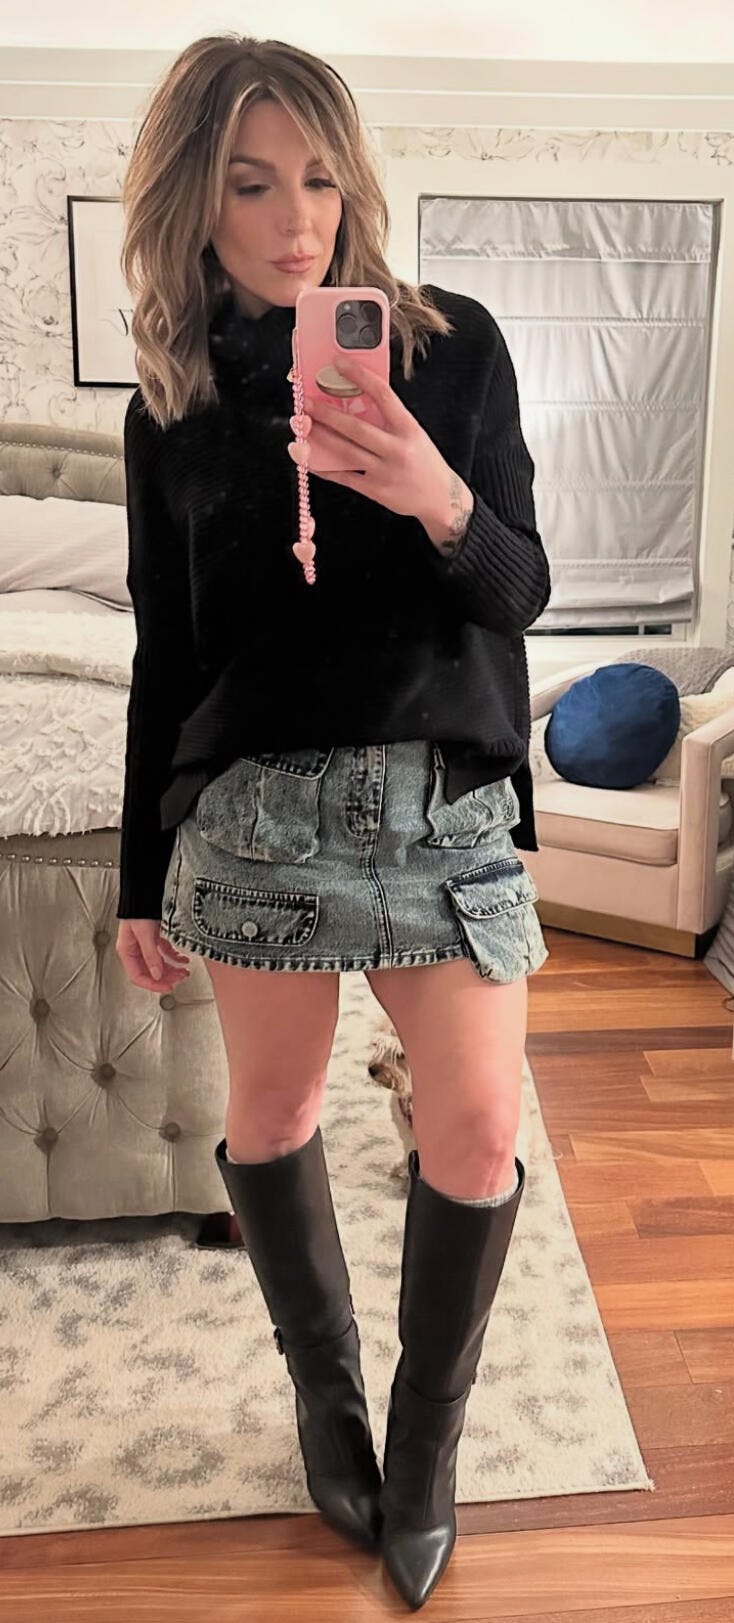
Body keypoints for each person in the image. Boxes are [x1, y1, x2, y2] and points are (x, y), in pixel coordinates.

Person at [114, 32, 551, 1611]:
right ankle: (327, 1398)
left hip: (442, 805)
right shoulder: (173, 409)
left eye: (316, 177)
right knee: (276, 1115)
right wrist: (140, 873)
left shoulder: (453, 348)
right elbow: (168, 657)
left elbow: (520, 591)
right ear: (192, 199)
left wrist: (433, 491)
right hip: (257, 815)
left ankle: (423, 1448)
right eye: (249, 184)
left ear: (353, 180)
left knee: (477, 1129)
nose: (295, 219)